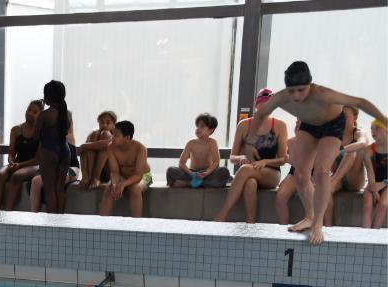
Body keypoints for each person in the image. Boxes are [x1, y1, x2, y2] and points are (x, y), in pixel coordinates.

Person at [252, 60, 387, 244]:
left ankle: (318, 224)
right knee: (300, 174)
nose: (296, 96)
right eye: (292, 91)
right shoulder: (281, 97)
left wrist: (383, 119)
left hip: (333, 125)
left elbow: (360, 102)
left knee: (322, 171)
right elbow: (261, 113)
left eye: (301, 90)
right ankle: (310, 216)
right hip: (310, 125)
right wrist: (249, 142)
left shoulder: (323, 94)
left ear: (310, 85)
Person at [212, 88, 288, 224]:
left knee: (246, 169)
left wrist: (265, 162)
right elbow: (232, 157)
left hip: (271, 174)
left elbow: (283, 160)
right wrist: (241, 158)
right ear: (256, 105)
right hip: (249, 172)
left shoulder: (280, 126)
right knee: (250, 183)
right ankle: (250, 225)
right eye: (262, 104)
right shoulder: (243, 125)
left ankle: (222, 215)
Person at [0, 100, 42, 211]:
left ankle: (8, 211)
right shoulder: (16, 130)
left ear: (40, 116)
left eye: (34, 112)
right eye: (29, 110)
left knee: (17, 176)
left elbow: (37, 159)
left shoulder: (41, 132)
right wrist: (12, 162)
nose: (30, 113)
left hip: (33, 165)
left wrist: (20, 165)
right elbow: (11, 153)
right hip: (17, 163)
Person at [98, 120, 151, 218]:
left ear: (127, 138)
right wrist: (115, 184)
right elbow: (114, 171)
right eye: (113, 134)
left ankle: (136, 223)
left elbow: (138, 175)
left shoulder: (140, 148)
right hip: (122, 176)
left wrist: (123, 184)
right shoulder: (111, 147)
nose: (112, 137)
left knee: (135, 189)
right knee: (110, 188)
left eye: (116, 135)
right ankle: (103, 222)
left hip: (144, 176)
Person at [36, 80, 73, 215]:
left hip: (49, 150)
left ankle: (51, 222)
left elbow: (35, 136)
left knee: (49, 189)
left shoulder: (44, 115)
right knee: (59, 188)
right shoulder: (68, 114)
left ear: (47, 96)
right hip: (65, 151)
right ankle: (60, 220)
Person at [166, 113, 230, 188]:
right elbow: (181, 163)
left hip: (207, 174)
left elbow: (216, 162)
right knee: (170, 170)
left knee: (224, 171)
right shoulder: (191, 143)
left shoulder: (212, 142)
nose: (198, 128)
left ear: (211, 130)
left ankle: (189, 183)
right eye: (197, 126)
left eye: (202, 126)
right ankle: (202, 183)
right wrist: (192, 174)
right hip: (192, 173)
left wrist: (206, 172)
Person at [78, 111, 116, 189]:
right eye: (101, 122)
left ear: (114, 125)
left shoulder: (116, 135)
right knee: (93, 137)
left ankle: (96, 177)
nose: (104, 125)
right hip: (92, 174)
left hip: (110, 173)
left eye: (108, 122)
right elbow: (83, 152)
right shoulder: (93, 135)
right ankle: (89, 178)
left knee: (105, 135)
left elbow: (109, 143)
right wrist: (85, 176)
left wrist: (84, 146)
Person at [361, 119, 388, 229]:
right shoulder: (369, 150)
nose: (373, 131)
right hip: (374, 183)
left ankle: (374, 235)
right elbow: (370, 172)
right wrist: (374, 189)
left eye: (378, 128)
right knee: (367, 206)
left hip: (387, 183)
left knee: (383, 205)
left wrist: (384, 183)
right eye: (372, 128)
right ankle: (365, 235)